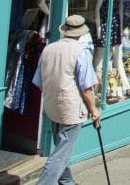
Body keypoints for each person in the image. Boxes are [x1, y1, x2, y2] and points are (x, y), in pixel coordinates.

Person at [32, 15, 101, 185]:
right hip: (71, 108)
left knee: (62, 148)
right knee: (61, 154)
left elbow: (39, 81)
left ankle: (68, 182)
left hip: (51, 105)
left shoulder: (48, 49)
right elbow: (86, 87)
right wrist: (94, 110)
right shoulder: (81, 51)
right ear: (81, 33)